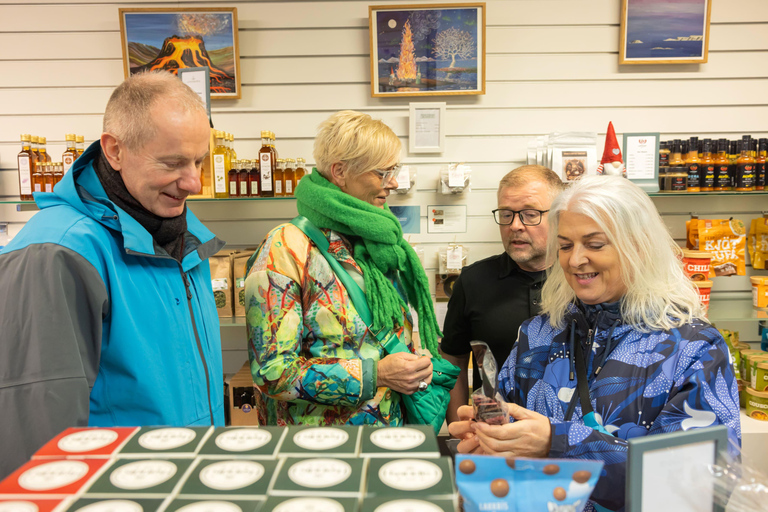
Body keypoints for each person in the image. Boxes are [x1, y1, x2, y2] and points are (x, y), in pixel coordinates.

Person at [449, 175, 740, 512]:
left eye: (595, 244)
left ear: (639, 245)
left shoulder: (695, 348)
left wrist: (556, 443)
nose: (575, 261)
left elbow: (700, 488)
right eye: (566, 244)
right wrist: (490, 444)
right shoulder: (537, 335)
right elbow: (511, 443)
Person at [0, 71, 225, 478]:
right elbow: (36, 434)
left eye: (199, 161)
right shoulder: (57, 253)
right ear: (115, 150)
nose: (193, 181)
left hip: (185, 481)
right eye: (173, 163)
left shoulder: (182, 238)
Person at [244, 110, 443, 426]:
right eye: (382, 172)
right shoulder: (286, 249)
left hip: (389, 438)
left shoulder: (375, 243)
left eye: (395, 170)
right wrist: (374, 374)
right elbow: (272, 371)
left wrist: (413, 359)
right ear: (339, 171)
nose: (392, 182)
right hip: (320, 449)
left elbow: (377, 332)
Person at [441, 165, 563, 424]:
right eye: (506, 214)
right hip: (494, 436)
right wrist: (456, 429)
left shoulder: (582, 278)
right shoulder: (473, 281)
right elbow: (454, 359)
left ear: (558, 216)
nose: (515, 226)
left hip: (568, 440)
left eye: (530, 214)